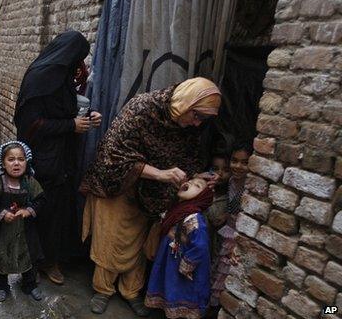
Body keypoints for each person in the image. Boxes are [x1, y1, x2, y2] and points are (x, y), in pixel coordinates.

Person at [80, 77, 221, 316]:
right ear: (184, 103)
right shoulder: (142, 109)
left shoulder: (188, 127)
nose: (197, 124)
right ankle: (103, 289)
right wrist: (162, 174)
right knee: (112, 239)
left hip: (152, 195)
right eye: (196, 116)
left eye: (203, 120)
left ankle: (131, 291)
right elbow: (114, 156)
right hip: (119, 186)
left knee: (141, 242)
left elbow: (187, 158)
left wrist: (202, 176)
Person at [14, 30, 102, 285]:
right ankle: (36, 262)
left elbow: (67, 107)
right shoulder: (39, 78)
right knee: (42, 211)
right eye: (79, 58)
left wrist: (89, 115)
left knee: (58, 212)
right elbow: (30, 124)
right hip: (42, 160)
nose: (80, 65)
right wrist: (70, 126)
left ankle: (51, 258)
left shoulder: (61, 78)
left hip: (63, 159)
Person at [0, 141, 46, 302]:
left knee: (27, 258)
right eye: (11, 159)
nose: (16, 163)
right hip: (4, 232)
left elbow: (41, 199)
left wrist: (28, 211)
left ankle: (29, 285)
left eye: (21, 159)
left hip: (25, 231)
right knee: (3, 258)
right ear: (3, 163)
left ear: (26, 162)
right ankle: (2, 286)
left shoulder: (30, 182)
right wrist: (1, 212)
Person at [144, 177, 214, 319]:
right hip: (170, 258)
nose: (190, 184)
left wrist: (186, 266)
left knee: (179, 287)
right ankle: (165, 309)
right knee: (167, 282)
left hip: (181, 263)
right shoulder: (177, 210)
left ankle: (180, 312)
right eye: (191, 181)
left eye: (197, 186)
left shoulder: (194, 219)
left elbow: (200, 246)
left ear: (202, 197)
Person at [208, 144, 251, 311]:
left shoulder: (250, 186)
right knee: (215, 271)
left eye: (244, 162)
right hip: (225, 234)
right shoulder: (232, 181)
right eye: (234, 161)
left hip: (237, 238)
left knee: (223, 277)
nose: (238, 166)